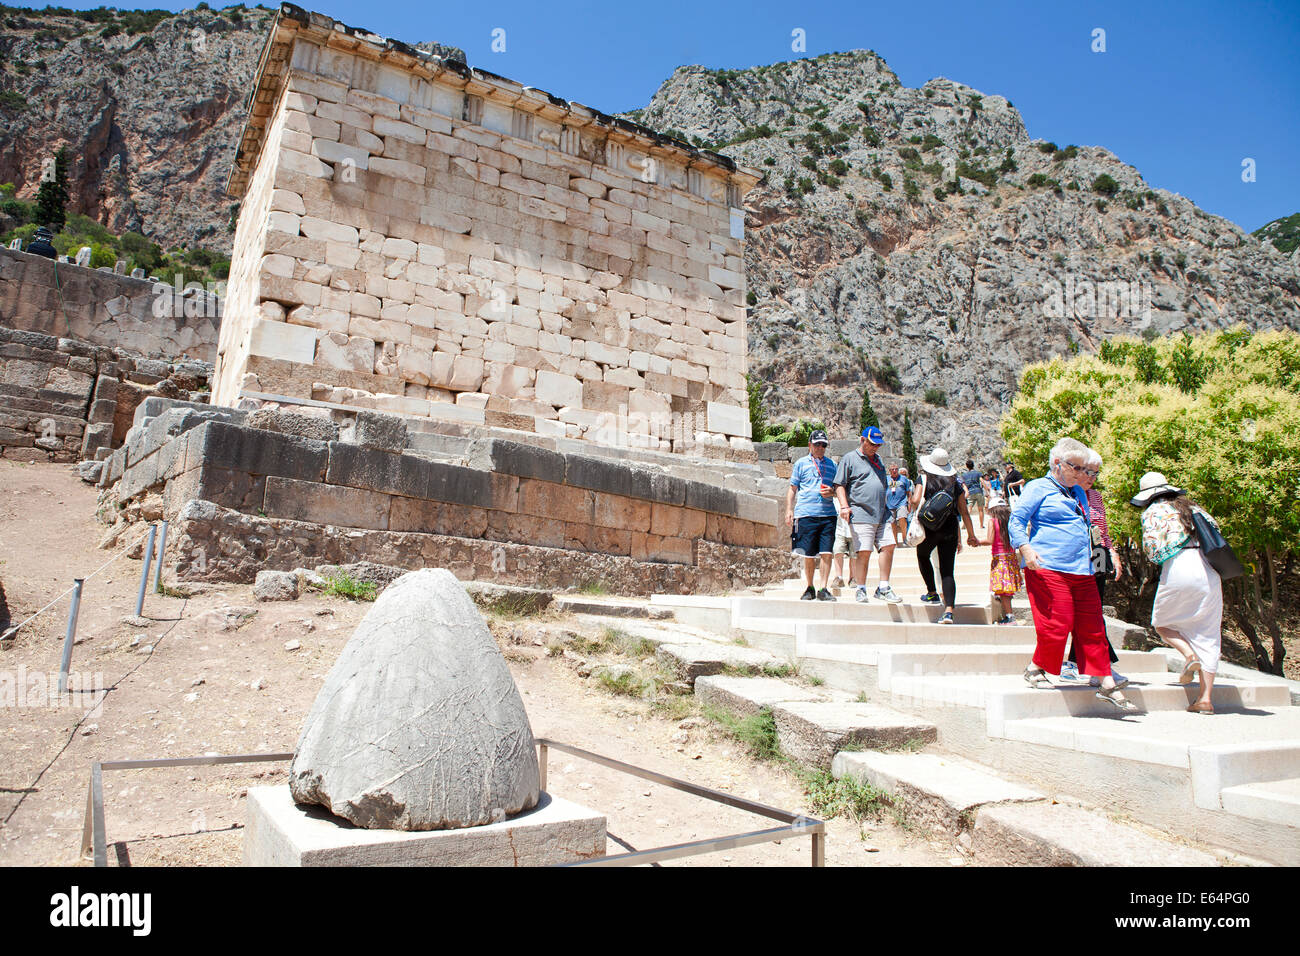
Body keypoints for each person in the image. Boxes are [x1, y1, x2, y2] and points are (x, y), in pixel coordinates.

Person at [1007, 437, 1138, 711]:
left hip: (1083, 569)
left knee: (1092, 624)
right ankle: (1036, 668)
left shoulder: (1077, 492)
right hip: (1049, 566)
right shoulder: (1037, 487)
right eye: (1076, 468)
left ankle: (1105, 681)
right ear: (1057, 463)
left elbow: (1093, 528)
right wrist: (1025, 548)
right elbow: (1016, 520)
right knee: (1059, 621)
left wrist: (1104, 555)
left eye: (1084, 469)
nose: (1081, 474)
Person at [1132, 472, 1225, 714]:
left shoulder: (1153, 512)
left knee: (1162, 624)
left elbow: (1153, 552)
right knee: (1208, 632)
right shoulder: (1197, 509)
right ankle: (1205, 699)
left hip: (1179, 567)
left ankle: (1188, 653)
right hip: (1209, 570)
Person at [1060, 448, 1127, 687]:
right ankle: (1092, 664)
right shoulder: (1064, 494)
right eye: (1088, 471)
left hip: (1097, 555)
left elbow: (1102, 531)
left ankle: (1089, 664)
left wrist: (1112, 553)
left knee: (1094, 611)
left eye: (1095, 473)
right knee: (1078, 613)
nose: (1091, 477)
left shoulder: (1096, 497)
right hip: (1074, 557)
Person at [909, 447, 980, 624]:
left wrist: (911, 500)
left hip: (930, 527)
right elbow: (964, 511)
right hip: (949, 527)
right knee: (948, 569)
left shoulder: (923, 478)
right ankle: (949, 610)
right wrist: (971, 535)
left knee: (922, 555)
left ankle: (932, 592)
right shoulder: (954, 483)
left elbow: (916, 500)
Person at [833, 426, 903, 604]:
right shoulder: (849, 459)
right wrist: (844, 506)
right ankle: (861, 588)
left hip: (882, 513)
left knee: (889, 546)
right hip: (861, 511)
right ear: (862, 440)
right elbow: (839, 484)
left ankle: (884, 587)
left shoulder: (878, 460)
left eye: (878, 445)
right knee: (863, 552)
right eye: (872, 444)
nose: (875, 448)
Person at [784, 430, 838, 601]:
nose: (820, 448)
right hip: (806, 514)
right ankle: (810, 587)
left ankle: (823, 588)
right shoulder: (800, 464)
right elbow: (793, 489)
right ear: (810, 445)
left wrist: (833, 492)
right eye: (817, 444)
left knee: (827, 553)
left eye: (823, 445)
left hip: (828, 514)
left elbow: (839, 489)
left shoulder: (832, 465)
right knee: (808, 554)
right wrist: (789, 510)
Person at [979, 495, 1020, 625]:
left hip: (999, 558)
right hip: (1011, 557)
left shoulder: (993, 521)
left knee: (1003, 590)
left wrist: (977, 541)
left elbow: (990, 540)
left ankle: (1010, 617)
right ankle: (1007, 612)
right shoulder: (1011, 519)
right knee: (1006, 588)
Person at [886, 463, 913, 546]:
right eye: (892, 469)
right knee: (892, 523)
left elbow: (908, 492)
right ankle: (895, 542)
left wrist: (909, 504)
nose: (894, 471)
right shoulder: (886, 479)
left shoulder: (904, 479)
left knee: (902, 519)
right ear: (889, 471)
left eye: (896, 469)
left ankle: (905, 539)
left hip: (902, 502)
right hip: (890, 504)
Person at [960, 459, 987, 529]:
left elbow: (963, 485)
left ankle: (965, 524)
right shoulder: (978, 473)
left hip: (970, 492)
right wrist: (987, 489)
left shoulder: (964, 475)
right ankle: (981, 525)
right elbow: (982, 481)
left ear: (966, 466)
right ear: (973, 465)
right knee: (980, 509)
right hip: (978, 491)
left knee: (969, 509)